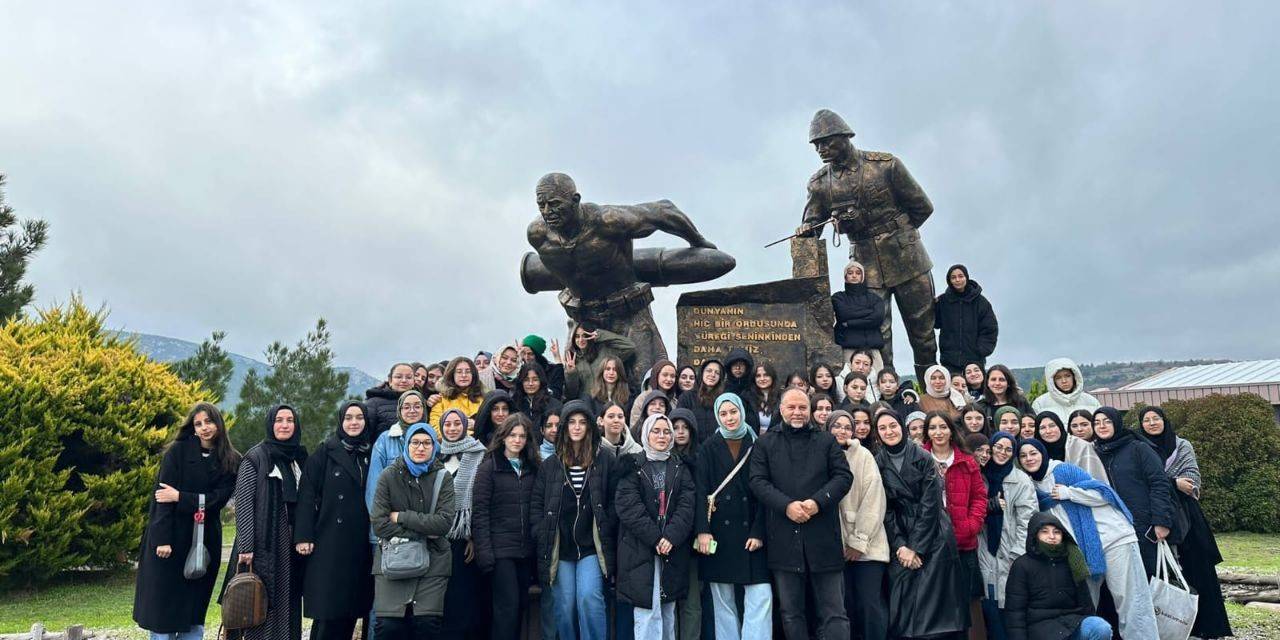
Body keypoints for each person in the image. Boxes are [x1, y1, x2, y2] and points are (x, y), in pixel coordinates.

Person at [800, 108, 938, 382]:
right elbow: (811, 226)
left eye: (826, 142)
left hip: (908, 257)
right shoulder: (820, 184)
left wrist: (898, 233)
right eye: (817, 145)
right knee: (878, 336)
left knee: (923, 332)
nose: (821, 149)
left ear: (845, 137)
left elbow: (922, 206)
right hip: (866, 267)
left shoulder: (886, 165)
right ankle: (887, 394)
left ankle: (931, 391)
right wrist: (805, 230)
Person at [1016, 438, 1158, 638]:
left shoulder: (1062, 471)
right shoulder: (1032, 488)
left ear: (1043, 453)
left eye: (1033, 453)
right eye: (1023, 455)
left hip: (1114, 538)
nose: (1029, 458)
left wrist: (1069, 493)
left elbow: (1103, 493)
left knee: (1132, 601)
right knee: (1085, 606)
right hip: (1081, 552)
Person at [749, 388, 853, 640]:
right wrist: (787, 506)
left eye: (802, 408)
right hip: (784, 537)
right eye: (792, 407)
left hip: (823, 536)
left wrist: (817, 503)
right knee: (791, 612)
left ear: (810, 410)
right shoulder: (765, 443)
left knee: (834, 611)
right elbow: (757, 481)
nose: (797, 412)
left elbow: (843, 476)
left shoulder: (826, 441)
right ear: (781, 409)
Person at [134, 403, 239, 640]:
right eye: (198, 424)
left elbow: (218, 500)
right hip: (169, 541)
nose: (204, 428)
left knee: (194, 611)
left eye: (209, 422)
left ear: (218, 423)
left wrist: (180, 496)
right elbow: (162, 499)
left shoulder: (231, 460)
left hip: (203, 543)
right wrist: (162, 540)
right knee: (164, 613)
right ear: (192, 428)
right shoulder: (177, 452)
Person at [1135, 406, 1232, 639]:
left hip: (1187, 517)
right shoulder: (1137, 448)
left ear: (1164, 421)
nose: (1151, 423)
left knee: (1198, 568)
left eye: (1156, 418)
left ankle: (1207, 627)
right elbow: (1141, 481)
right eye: (1146, 420)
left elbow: (1192, 479)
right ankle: (1173, 626)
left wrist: (1173, 482)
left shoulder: (1182, 445)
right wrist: (1173, 482)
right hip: (1157, 515)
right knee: (1167, 572)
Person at [873, 411, 967, 639]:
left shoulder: (923, 458)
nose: (889, 431)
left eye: (893, 425)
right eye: (883, 428)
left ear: (902, 427)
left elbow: (931, 505)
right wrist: (901, 545)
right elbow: (884, 509)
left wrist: (916, 547)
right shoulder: (877, 463)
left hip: (933, 536)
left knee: (938, 613)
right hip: (899, 537)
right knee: (903, 611)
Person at [220, 405, 308, 640]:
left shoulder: (298, 457)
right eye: (279, 420)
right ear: (271, 424)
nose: (285, 425)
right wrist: (246, 547)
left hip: (290, 543)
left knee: (287, 601)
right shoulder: (256, 457)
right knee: (260, 601)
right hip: (262, 543)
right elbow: (245, 502)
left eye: (290, 420)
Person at [531, 400, 617, 640]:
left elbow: (614, 501)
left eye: (582, 422)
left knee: (589, 598)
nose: (577, 427)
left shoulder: (605, 461)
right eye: (571, 422)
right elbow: (537, 504)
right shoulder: (550, 466)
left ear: (590, 427)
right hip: (561, 548)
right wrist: (541, 531)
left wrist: (607, 526)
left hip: (591, 547)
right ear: (565, 428)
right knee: (564, 604)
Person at [295, 402, 375, 640]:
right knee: (328, 611)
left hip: (359, 543)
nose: (354, 422)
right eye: (348, 417)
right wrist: (304, 535)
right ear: (341, 421)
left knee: (350, 610)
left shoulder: (369, 452)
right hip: (329, 540)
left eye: (359, 417)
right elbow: (307, 494)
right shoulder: (325, 451)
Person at [694, 394, 770, 640]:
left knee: (761, 596)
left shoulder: (758, 445)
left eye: (733, 412)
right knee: (722, 601)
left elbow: (764, 492)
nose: (729, 418)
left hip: (752, 532)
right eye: (724, 413)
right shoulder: (707, 447)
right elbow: (700, 492)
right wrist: (703, 530)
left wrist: (759, 531)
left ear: (741, 412)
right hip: (719, 533)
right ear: (717, 415)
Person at [370, 423, 457, 638]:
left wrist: (401, 517)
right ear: (406, 445)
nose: (421, 447)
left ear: (434, 447)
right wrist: (423, 530)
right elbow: (379, 524)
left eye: (427, 443)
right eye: (415, 442)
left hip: (433, 561)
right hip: (393, 559)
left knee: (426, 625)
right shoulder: (388, 476)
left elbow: (444, 523)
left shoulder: (443, 477)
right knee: (389, 627)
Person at [616, 415, 697, 639]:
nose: (662, 436)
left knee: (668, 610)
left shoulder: (681, 467)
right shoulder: (632, 465)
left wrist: (670, 537)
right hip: (640, 548)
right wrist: (656, 538)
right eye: (656, 431)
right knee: (647, 611)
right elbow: (628, 507)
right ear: (646, 434)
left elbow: (687, 505)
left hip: (672, 548)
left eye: (666, 431)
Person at [473, 414, 541, 640]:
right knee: (507, 609)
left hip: (525, 550)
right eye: (512, 435)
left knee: (521, 605)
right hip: (500, 552)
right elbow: (480, 513)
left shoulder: (533, 468)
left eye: (522, 436)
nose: (517, 440)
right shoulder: (488, 468)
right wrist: (485, 553)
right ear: (503, 437)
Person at [922, 412, 988, 640]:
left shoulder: (967, 460)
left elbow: (980, 496)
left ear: (951, 430)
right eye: (932, 428)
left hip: (963, 542)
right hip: (931, 544)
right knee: (938, 603)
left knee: (967, 601)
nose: (938, 432)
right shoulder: (919, 458)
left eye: (943, 427)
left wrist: (972, 524)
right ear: (927, 432)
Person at [826, 410, 890, 640]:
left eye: (846, 427)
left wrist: (858, 540)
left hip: (867, 546)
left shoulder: (863, 455)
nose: (841, 431)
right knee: (845, 607)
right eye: (836, 426)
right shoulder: (821, 453)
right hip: (835, 548)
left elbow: (874, 500)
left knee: (869, 606)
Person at [1092, 407, 1175, 576]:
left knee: (1153, 576)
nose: (1102, 426)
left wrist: (1161, 521)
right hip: (1114, 529)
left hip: (1145, 526)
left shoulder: (1138, 448)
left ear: (1117, 423)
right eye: (1097, 423)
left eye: (1107, 421)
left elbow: (1159, 483)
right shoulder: (1095, 453)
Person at [1004, 514, 1113, 640]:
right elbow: (1015, 613)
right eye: (1044, 532)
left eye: (1056, 532)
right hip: (1040, 629)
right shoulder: (1022, 565)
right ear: (1035, 535)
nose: (1051, 536)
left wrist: (1090, 618)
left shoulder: (1073, 559)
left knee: (1100, 627)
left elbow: (1085, 602)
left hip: (1072, 623)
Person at [976, 432, 1037, 640]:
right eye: (999, 447)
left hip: (1011, 554)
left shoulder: (1020, 480)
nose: (1003, 452)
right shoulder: (979, 475)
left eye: (1009, 449)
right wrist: (988, 507)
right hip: (983, 550)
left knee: (1011, 611)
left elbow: (1027, 521)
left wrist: (1017, 554)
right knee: (989, 610)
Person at [435, 409, 488, 640]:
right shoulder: (433, 455)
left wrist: (474, 538)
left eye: (458, 423)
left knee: (464, 599)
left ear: (466, 426)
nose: (453, 428)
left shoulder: (480, 455)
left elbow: (483, 500)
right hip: (436, 539)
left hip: (464, 541)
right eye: (448, 424)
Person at [934, 264, 998, 376]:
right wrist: (932, 307)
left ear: (966, 277)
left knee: (975, 392)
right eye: (953, 277)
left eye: (960, 276)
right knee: (953, 392)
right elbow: (935, 323)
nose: (957, 280)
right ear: (949, 281)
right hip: (949, 360)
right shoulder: (943, 301)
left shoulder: (981, 302)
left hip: (974, 360)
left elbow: (990, 328)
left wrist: (980, 350)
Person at [832, 259, 887, 375]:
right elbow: (844, 314)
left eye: (858, 273)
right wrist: (867, 312)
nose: (854, 276)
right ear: (845, 276)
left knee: (877, 380)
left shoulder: (875, 298)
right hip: (848, 347)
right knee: (849, 381)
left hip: (872, 347)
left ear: (862, 276)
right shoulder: (838, 297)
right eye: (850, 273)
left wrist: (850, 323)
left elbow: (877, 319)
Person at [563, 322, 638, 401]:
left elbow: (630, 347)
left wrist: (600, 335)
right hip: (587, 405)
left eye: (585, 336)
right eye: (577, 337)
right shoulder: (572, 360)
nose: (581, 339)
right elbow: (571, 393)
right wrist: (571, 373)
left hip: (608, 402)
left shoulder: (604, 351)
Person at [1034, 412, 1107, 483]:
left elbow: (1095, 479)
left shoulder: (1080, 446)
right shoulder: (1034, 451)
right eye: (1042, 428)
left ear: (1060, 426)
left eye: (1052, 425)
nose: (1048, 431)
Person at [1030, 358, 1101, 423]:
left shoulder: (1091, 401)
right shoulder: (1040, 404)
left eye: (1067, 376)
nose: (1064, 381)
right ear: (1052, 380)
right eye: (1058, 378)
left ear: (1075, 376)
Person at [677, 359, 726, 443]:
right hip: (693, 448)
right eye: (709, 371)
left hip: (716, 447)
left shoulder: (723, 399)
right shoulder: (687, 397)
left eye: (717, 373)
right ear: (702, 373)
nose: (712, 375)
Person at [430, 357, 485, 427]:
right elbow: (435, 425)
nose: (464, 375)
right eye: (459, 372)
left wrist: (476, 426)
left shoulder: (483, 398)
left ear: (473, 375)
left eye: (468, 372)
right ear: (452, 374)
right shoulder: (441, 399)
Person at [366, 363, 418, 436]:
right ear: (390, 380)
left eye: (409, 377)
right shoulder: (373, 403)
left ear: (413, 382)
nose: (404, 380)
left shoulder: (420, 402)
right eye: (398, 377)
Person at [512, 362, 558, 440]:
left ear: (541, 381)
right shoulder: (514, 403)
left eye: (535, 379)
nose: (530, 383)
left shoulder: (554, 404)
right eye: (526, 380)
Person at [631, 359, 679, 433]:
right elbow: (634, 426)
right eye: (665, 375)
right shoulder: (643, 398)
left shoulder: (674, 401)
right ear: (656, 375)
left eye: (672, 376)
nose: (669, 379)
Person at [520, 334, 566, 399]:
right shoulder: (520, 369)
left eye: (530, 354)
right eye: (523, 353)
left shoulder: (551, 370)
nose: (526, 357)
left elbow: (556, 392)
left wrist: (557, 357)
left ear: (538, 355)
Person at [750, 362, 781, 433]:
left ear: (772, 376)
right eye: (758, 376)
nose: (762, 379)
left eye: (766, 375)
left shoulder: (782, 397)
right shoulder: (747, 398)